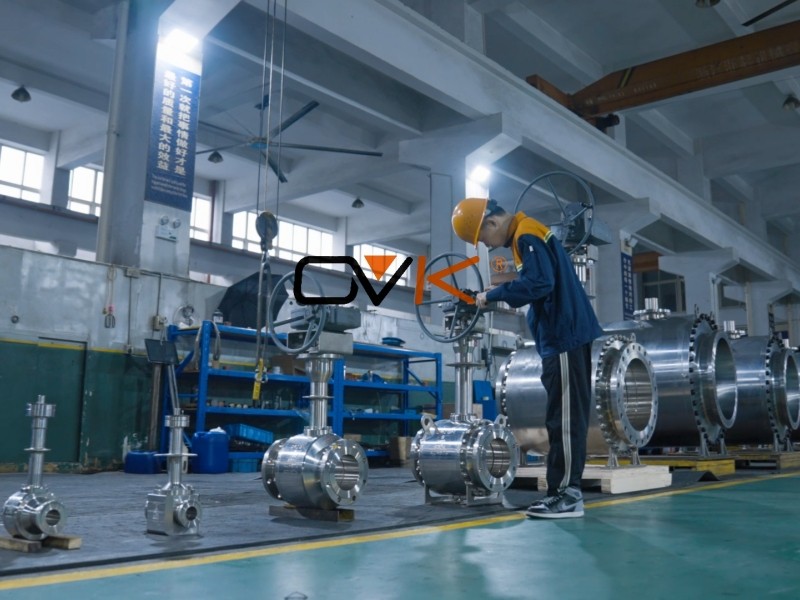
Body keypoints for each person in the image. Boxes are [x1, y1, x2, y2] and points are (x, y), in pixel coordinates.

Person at [451, 197, 603, 518]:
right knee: (559, 417)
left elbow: (540, 283)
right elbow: (538, 282)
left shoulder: (525, 235)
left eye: (483, 238)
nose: (488, 246)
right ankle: (562, 491)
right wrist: (500, 290)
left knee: (564, 420)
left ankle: (567, 494)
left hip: (564, 335)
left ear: (492, 223)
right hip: (560, 337)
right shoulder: (527, 233)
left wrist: (493, 295)